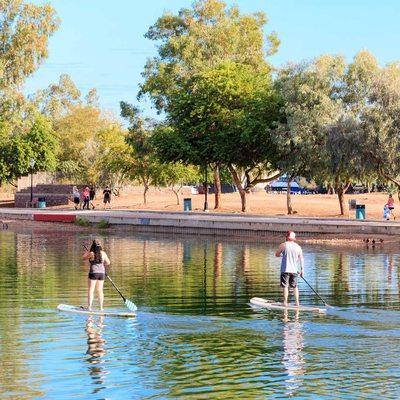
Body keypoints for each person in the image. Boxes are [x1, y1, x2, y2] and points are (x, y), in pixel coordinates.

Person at [275, 231, 304, 307]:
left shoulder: (283, 245)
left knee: (285, 286)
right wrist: (302, 270)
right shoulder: (298, 247)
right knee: (295, 286)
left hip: (285, 270)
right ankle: (297, 303)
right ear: (294, 238)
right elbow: (301, 259)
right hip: (294, 270)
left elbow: (277, 254)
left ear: (287, 237)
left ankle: (285, 303)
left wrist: (282, 255)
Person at [83, 240, 111, 311]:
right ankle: (101, 308)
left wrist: (87, 252)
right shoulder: (103, 253)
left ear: (92, 246)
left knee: (91, 290)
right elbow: (108, 262)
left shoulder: (91, 253)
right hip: (102, 273)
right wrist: (102, 265)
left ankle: (89, 308)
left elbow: (83, 258)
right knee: (100, 291)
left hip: (93, 273)